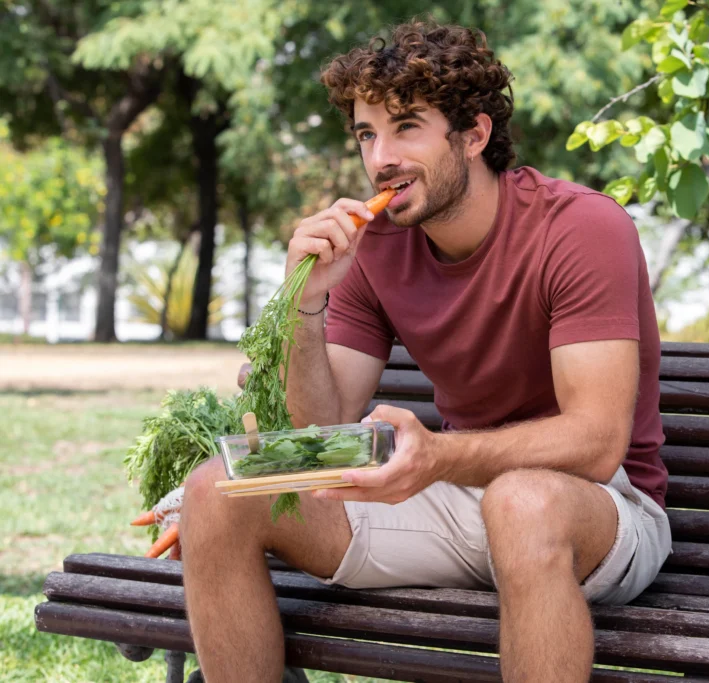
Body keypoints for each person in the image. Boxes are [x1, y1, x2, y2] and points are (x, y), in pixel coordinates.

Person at [180, 20, 670, 683]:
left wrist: (438, 455)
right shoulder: (374, 244)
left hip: (598, 507)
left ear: (473, 135)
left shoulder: (579, 228)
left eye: (406, 126)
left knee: (521, 502)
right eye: (365, 133)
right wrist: (306, 304)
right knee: (216, 490)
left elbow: (597, 440)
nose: (381, 156)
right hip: (455, 494)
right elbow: (321, 434)